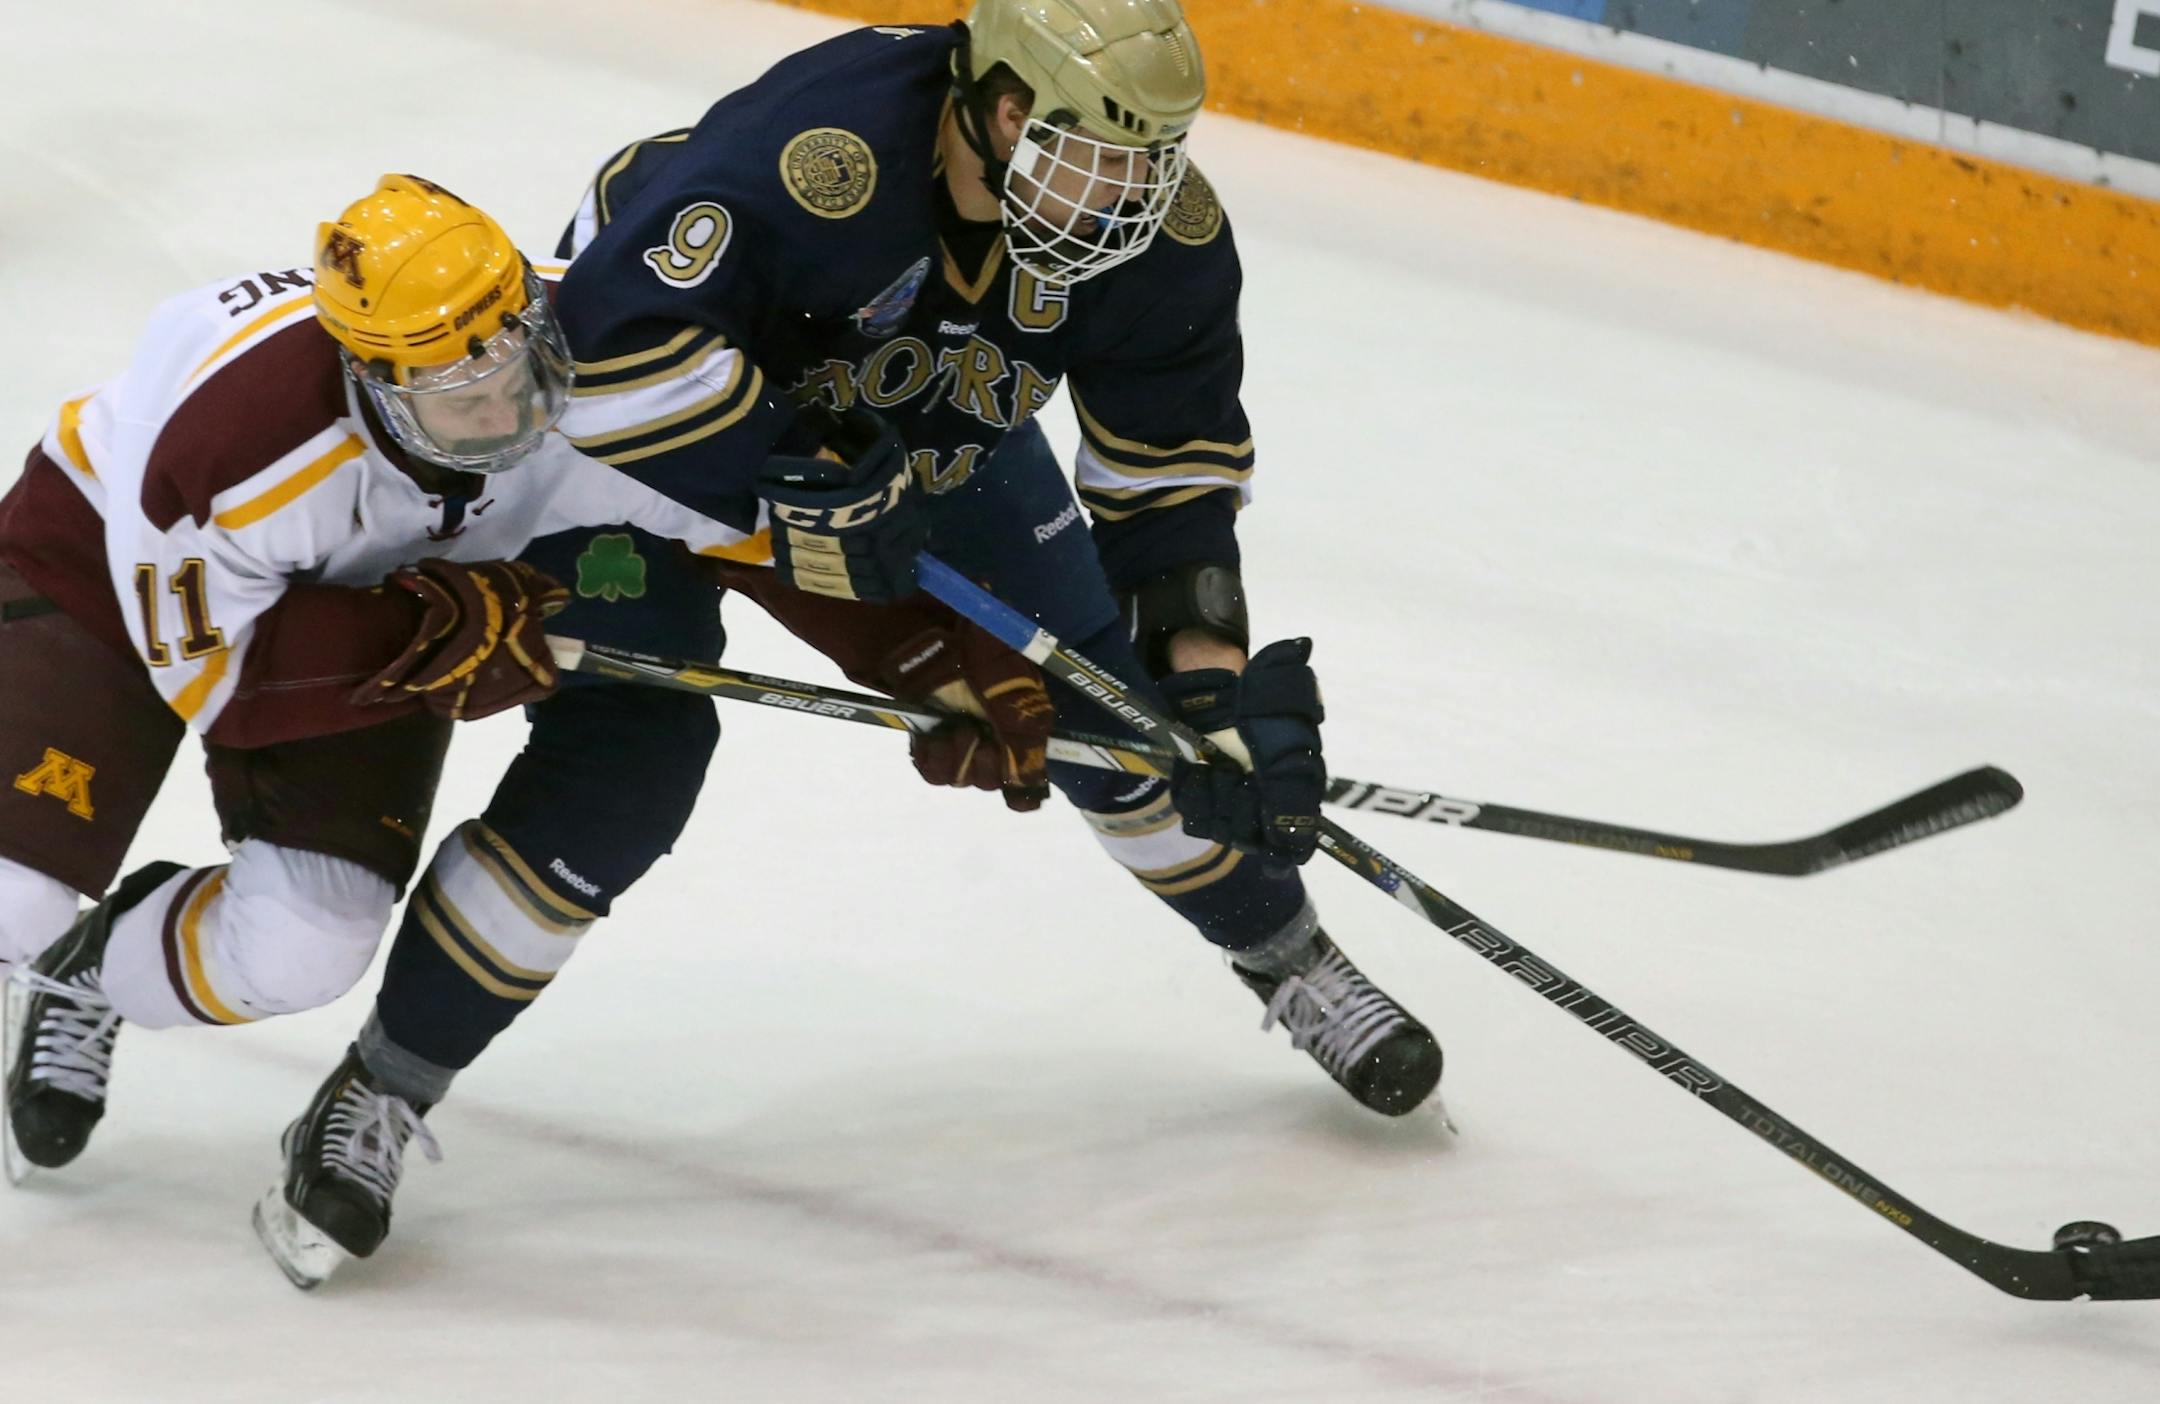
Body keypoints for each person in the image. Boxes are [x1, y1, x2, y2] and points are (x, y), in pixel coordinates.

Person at [256, 0, 1446, 1284]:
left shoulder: (1157, 235)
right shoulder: (821, 150)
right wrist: (803, 481)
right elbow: (608, 359)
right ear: (1002, 111)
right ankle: (384, 1085)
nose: (1132, 199)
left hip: (922, 442)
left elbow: (1170, 488)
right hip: (648, 468)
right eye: (1104, 159)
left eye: (1152, 162)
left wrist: (1208, 692)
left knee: (1121, 715)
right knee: (625, 771)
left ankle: (1289, 957)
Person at [0, 175, 748, 1202]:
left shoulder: (608, 348)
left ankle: (93, 970)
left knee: (305, 946)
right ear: (375, 382)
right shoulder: (238, 444)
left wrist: (924, 657)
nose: (507, 412)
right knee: (12, 904)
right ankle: (44, 946)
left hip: (356, 585)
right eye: (462, 397)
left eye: (517, 367)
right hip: (108, 562)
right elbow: (224, 688)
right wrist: (427, 636)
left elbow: (777, 519)